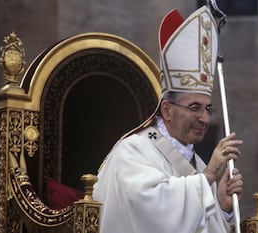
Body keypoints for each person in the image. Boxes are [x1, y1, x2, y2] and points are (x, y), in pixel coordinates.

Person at [93, 5, 244, 233]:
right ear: (166, 110)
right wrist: (209, 176)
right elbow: (153, 216)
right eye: (194, 108)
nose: (204, 118)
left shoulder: (197, 166)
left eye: (207, 109)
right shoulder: (133, 152)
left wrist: (222, 206)